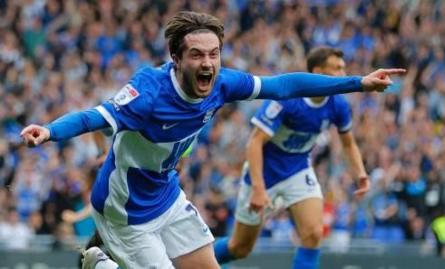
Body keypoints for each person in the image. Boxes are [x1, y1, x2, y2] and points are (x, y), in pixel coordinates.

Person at [20, 11, 404, 269]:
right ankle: (100, 263)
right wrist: (50, 131)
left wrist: (357, 83)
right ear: (176, 57)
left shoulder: (222, 83)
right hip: (125, 210)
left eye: (214, 54)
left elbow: (284, 85)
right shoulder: (148, 92)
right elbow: (93, 117)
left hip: (167, 197)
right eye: (197, 55)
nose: (207, 63)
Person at [214, 47, 370, 269]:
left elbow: (348, 143)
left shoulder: (338, 104)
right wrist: (258, 188)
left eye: (344, 68)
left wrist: (360, 173)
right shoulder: (288, 100)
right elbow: (255, 143)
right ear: (317, 72)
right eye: (337, 68)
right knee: (240, 248)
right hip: (263, 173)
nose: (343, 74)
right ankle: (193, 262)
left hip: (297, 170)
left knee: (314, 233)